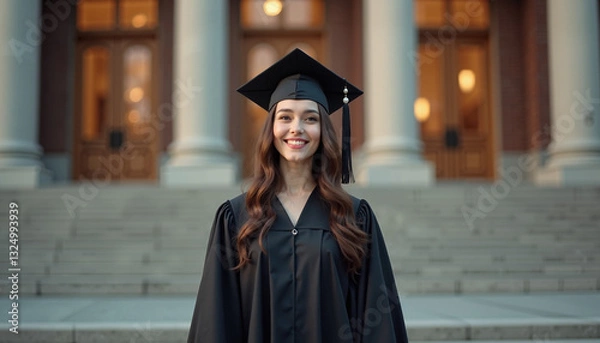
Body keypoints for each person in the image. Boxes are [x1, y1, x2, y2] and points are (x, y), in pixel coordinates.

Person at [187, 48, 408, 343]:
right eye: (285, 117)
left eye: (310, 119)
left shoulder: (355, 217)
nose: (296, 129)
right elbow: (216, 318)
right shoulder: (236, 217)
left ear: (324, 130)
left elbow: (376, 320)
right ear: (271, 128)